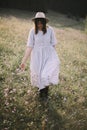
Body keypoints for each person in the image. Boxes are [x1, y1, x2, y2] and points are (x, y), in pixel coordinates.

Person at [20, 12, 60, 98]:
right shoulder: (32, 31)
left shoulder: (50, 30)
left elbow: (53, 44)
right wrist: (24, 61)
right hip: (37, 56)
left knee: (45, 74)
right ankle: (42, 93)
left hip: (49, 55)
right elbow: (29, 46)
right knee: (39, 74)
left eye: (41, 22)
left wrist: (53, 57)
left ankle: (46, 91)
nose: (39, 24)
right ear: (35, 22)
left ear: (44, 22)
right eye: (37, 22)